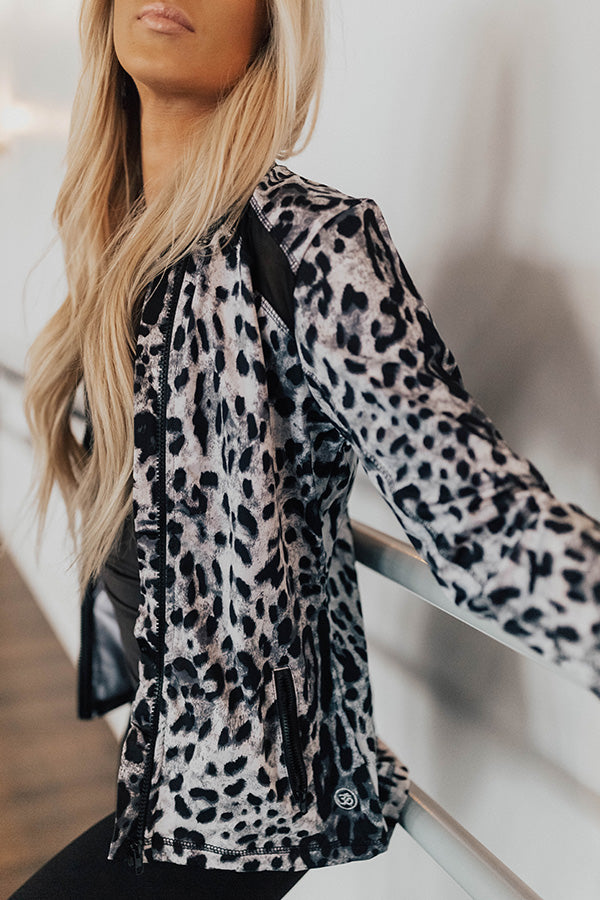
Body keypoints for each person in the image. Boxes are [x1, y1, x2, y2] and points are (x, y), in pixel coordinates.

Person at [15, 0, 600, 897]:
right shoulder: (119, 233)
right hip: (168, 754)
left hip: (250, 802)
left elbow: (475, 512)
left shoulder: (312, 244)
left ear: (271, 27)